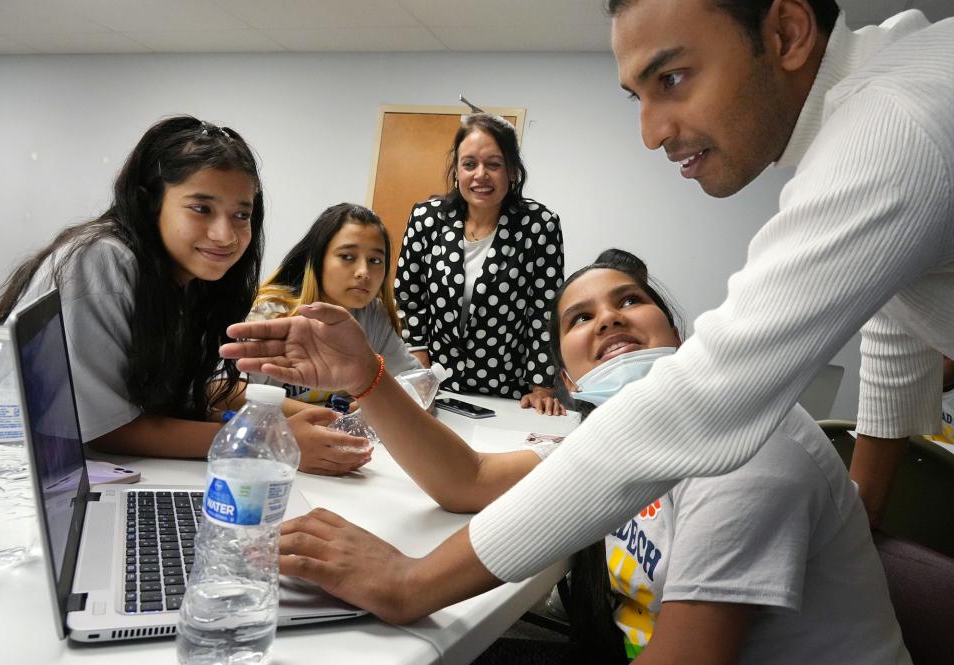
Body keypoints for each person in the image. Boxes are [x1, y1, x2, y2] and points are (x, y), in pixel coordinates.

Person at [221, 0, 954, 633]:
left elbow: (700, 407)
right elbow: (897, 321)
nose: (652, 132)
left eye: (672, 78)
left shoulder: (891, 123)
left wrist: (414, 582)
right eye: (636, 94)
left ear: (789, 31)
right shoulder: (886, 112)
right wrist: (863, 512)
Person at [221, 249, 909, 665]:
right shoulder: (618, 435)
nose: (606, 319)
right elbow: (468, 480)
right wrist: (366, 377)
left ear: (677, 329)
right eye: (579, 318)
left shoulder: (747, 447)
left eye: (629, 301)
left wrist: (410, 579)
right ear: (570, 379)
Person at [0, 115, 368, 476]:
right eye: (201, 209)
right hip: (20, 480)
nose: (226, 234)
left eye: (241, 215)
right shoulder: (102, 259)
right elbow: (106, 429)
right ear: (150, 201)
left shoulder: (189, 278)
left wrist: (298, 416)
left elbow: (194, 388)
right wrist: (271, 440)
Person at [395, 112, 566, 415]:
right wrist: (418, 363)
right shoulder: (427, 218)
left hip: (506, 391)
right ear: (457, 170)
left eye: (494, 164)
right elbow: (409, 297)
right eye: (470, 164)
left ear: (512, 171)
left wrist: (541, 387)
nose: (481, 175)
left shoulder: (539, 225)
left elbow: (544, 310)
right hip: (434, 385)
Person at [250, 202, 420, 406]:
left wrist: (372, 407)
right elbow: (228, 391)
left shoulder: (372, 314)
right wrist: (333, 417)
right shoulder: (271, 312)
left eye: (375, 261)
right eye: (347, 257)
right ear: (317, 259)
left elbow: (419, 384)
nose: (364, 272)